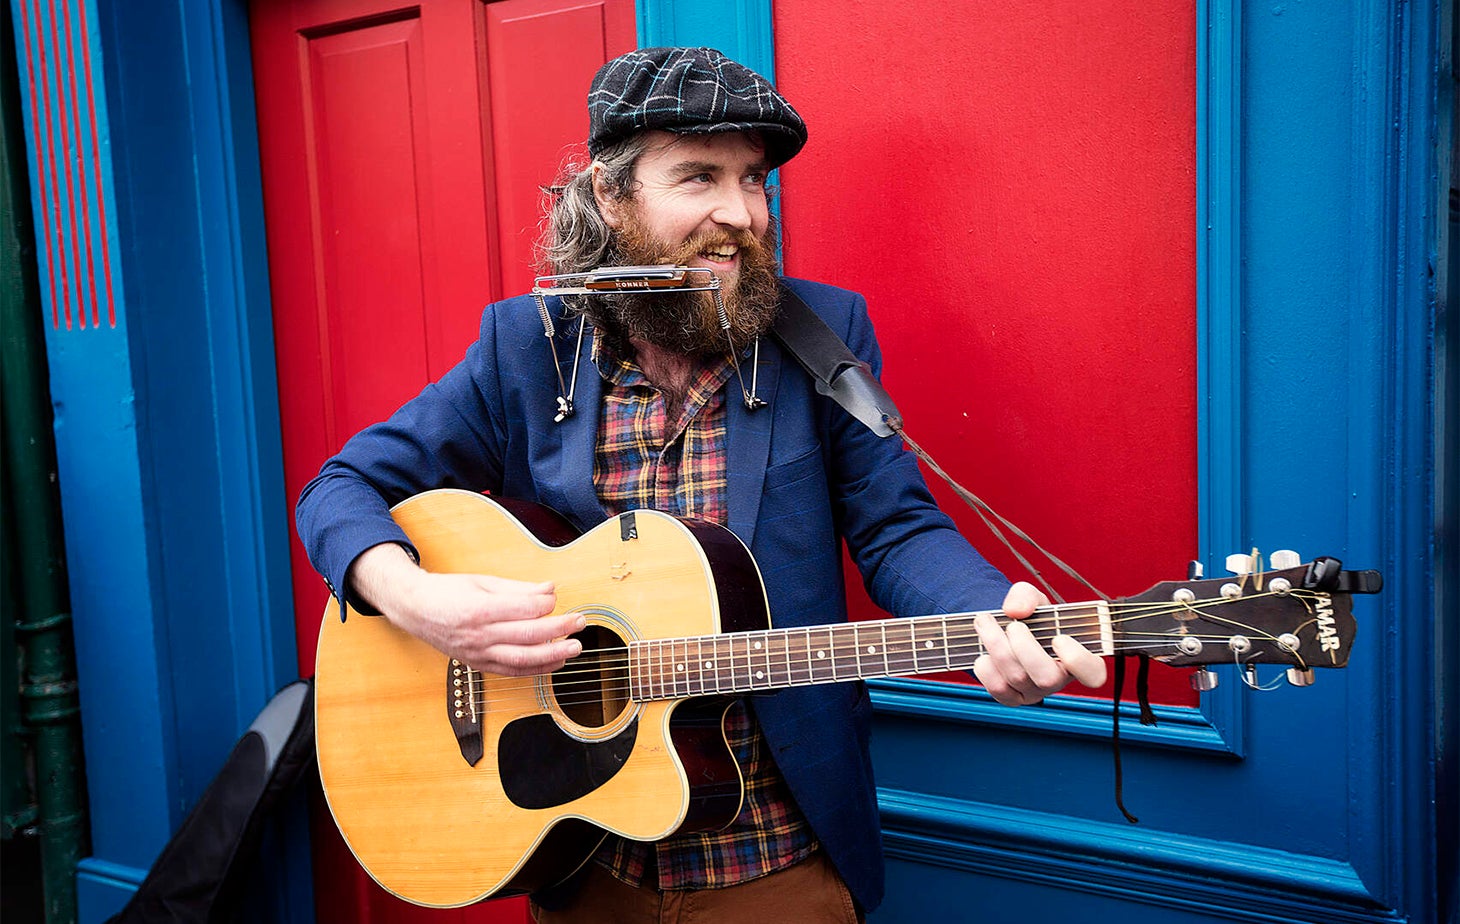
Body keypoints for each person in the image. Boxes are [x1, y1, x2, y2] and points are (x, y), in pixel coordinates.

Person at [296, 46, 1106, 923]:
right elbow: (339, 489)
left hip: (776, 863)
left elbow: (896, 528)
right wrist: (413, 598)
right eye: (699, 177)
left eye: (754, 179)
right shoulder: (529, 349)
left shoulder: (821, 335)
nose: (742, 214)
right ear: (611, 196)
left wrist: (992, 615)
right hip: (580, 865)